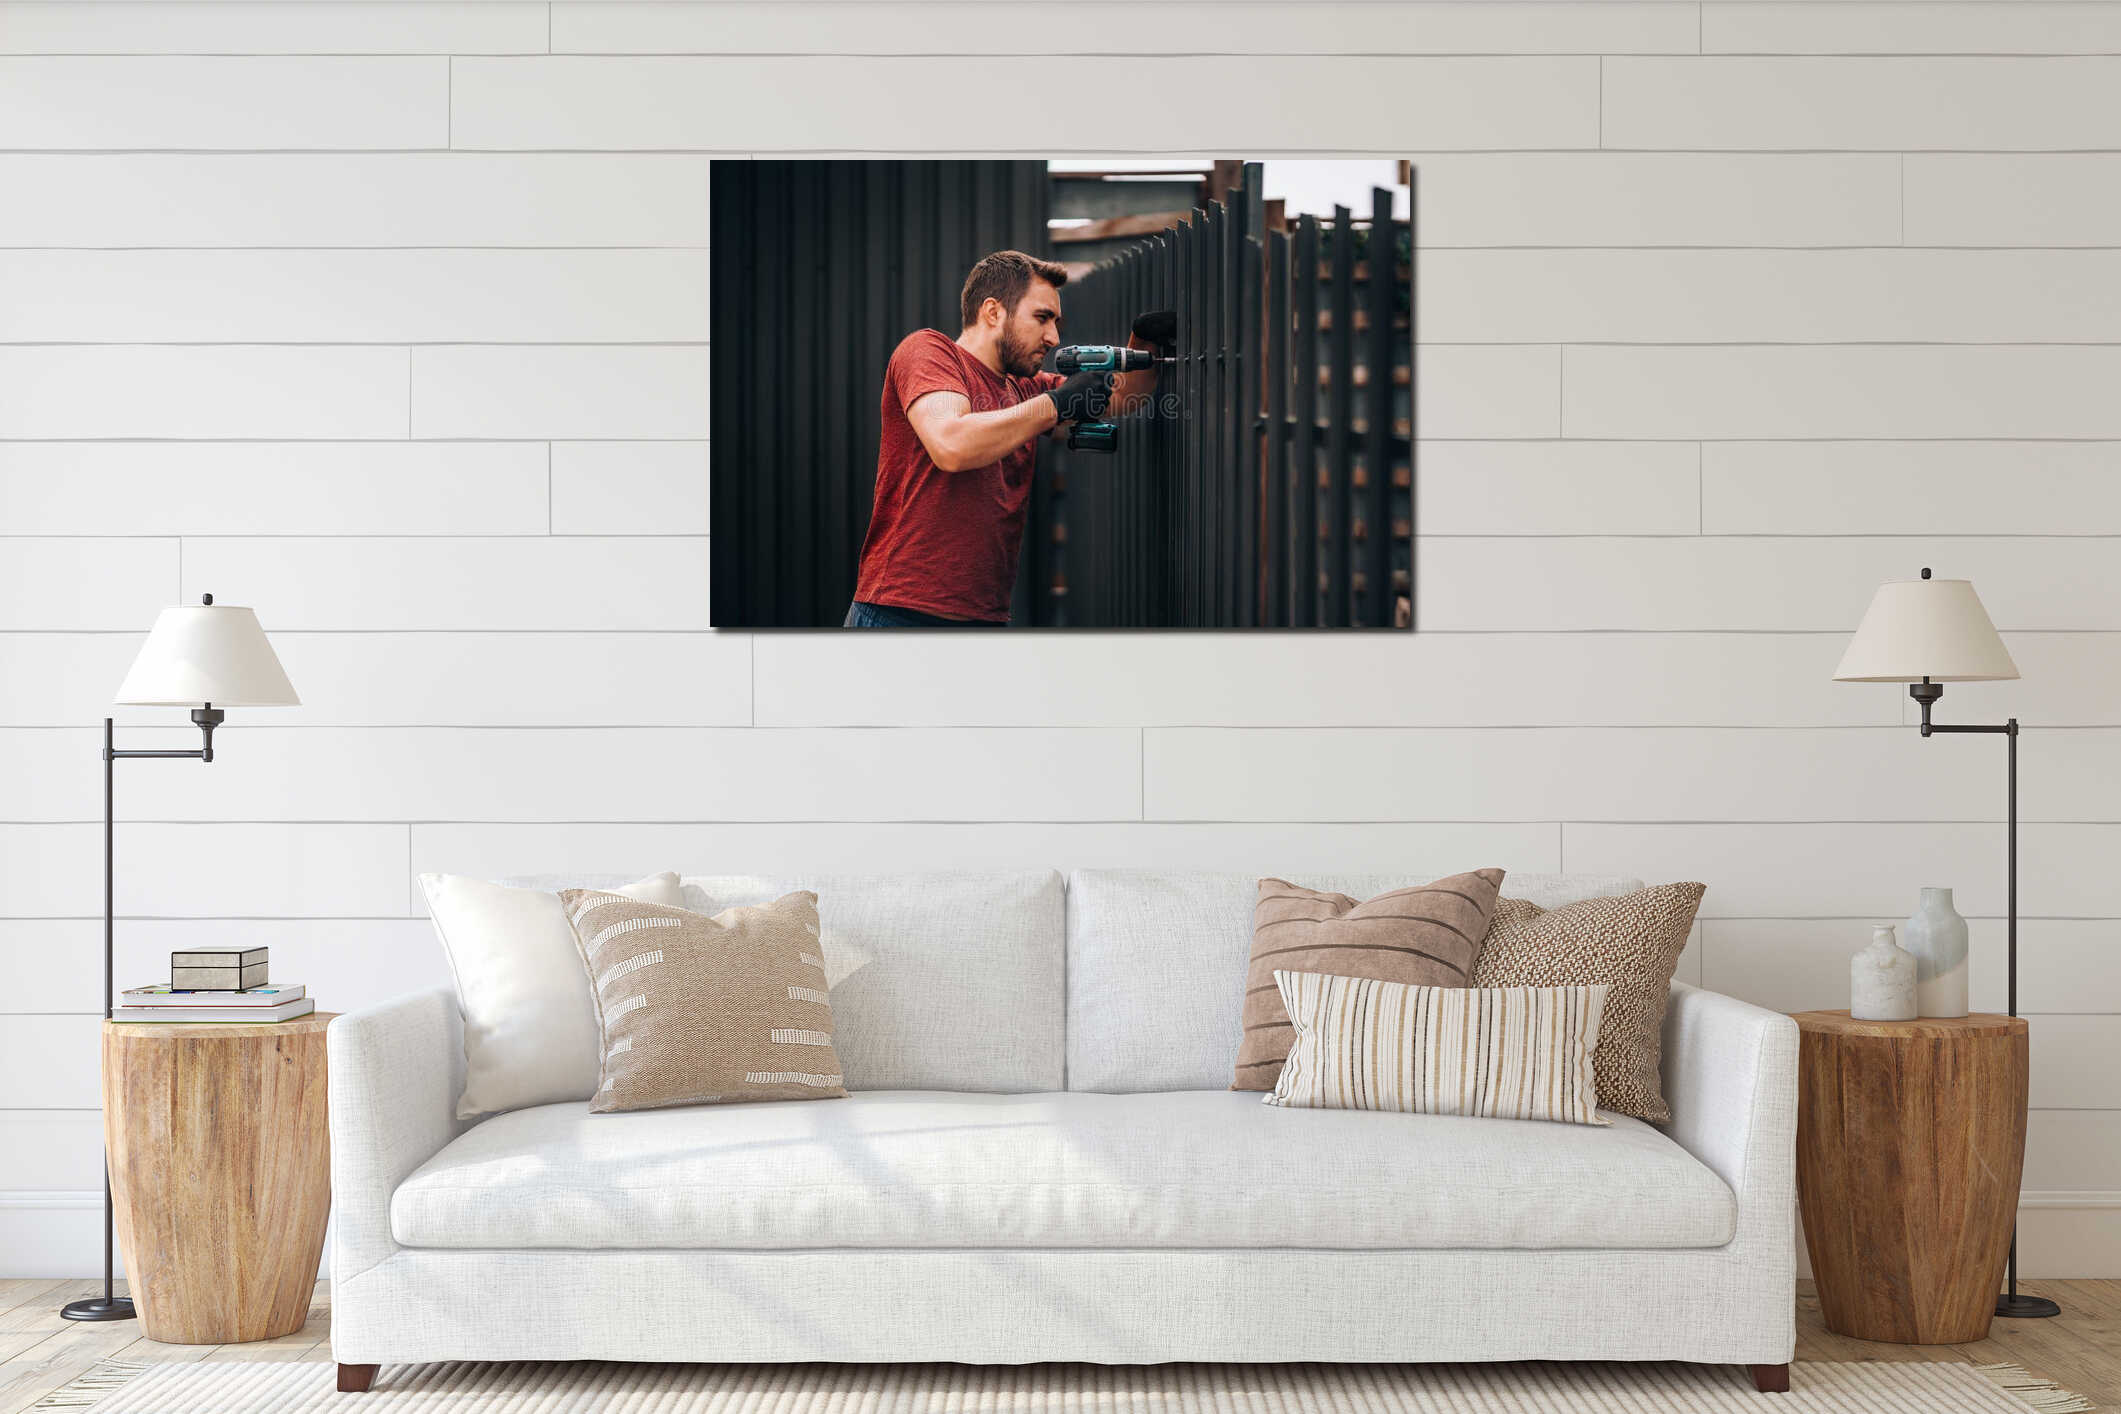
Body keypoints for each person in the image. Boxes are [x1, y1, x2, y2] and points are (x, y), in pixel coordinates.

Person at [846, 249, 1169, 627]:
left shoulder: (1024, 388)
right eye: (1042, 318)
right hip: (900, 616)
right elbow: (951, 445)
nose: (1053, 337)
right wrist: (1054, 405)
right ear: (993, 312)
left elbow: (1120, 397)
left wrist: (1146, 344)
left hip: (984, 619)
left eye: (1056, 323)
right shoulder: (929, 352)